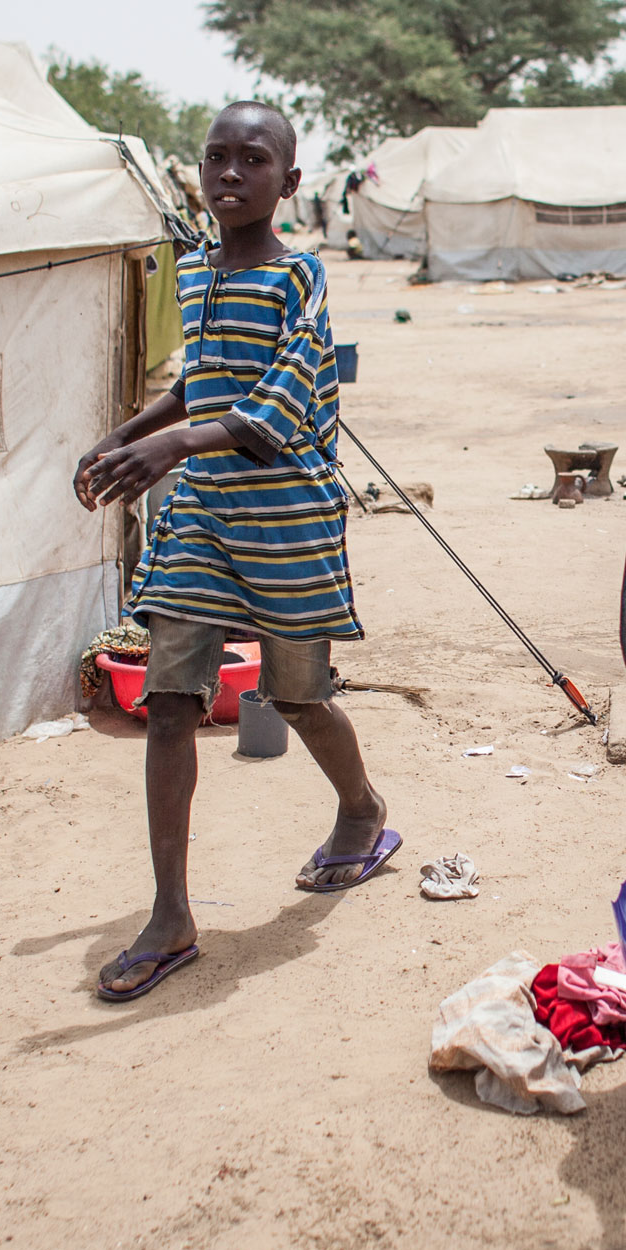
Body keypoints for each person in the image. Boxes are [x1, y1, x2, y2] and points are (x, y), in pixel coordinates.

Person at [74, 101, 396, 1002]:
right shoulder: (193, 271)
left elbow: (279, 406)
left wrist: (170, 447)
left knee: (296, 695)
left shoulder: (301, 278)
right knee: (172, 700)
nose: (228, 173)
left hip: (287, 520)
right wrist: (125, 435)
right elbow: (200, 382)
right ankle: (171, 913)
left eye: (252, 160)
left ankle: (363, 809)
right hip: (207, 518)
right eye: (216, 157)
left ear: (289, 183)